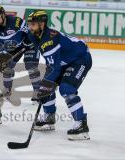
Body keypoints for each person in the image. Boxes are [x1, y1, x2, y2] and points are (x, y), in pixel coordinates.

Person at [27, 10, 92, 140]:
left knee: (66, 89)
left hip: (80, 59)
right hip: (62, 61)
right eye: (29, 24)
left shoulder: (49, 40)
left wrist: (45, 86)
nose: (30, 27)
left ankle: (81, 125)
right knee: (46, 86)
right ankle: (49, 118)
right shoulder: (36, 34)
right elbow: (52, 64)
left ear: (42, 24)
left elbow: (55, 68)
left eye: (33, 24)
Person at [0, 5, 41, 103]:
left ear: (3, 15)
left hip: (30, 44)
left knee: (31, 65)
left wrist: (28, 41)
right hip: (15, 47)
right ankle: (7, 90)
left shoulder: (16, 21)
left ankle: (38, 91)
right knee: (6, 65)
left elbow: (32, 31)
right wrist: (3, 54)